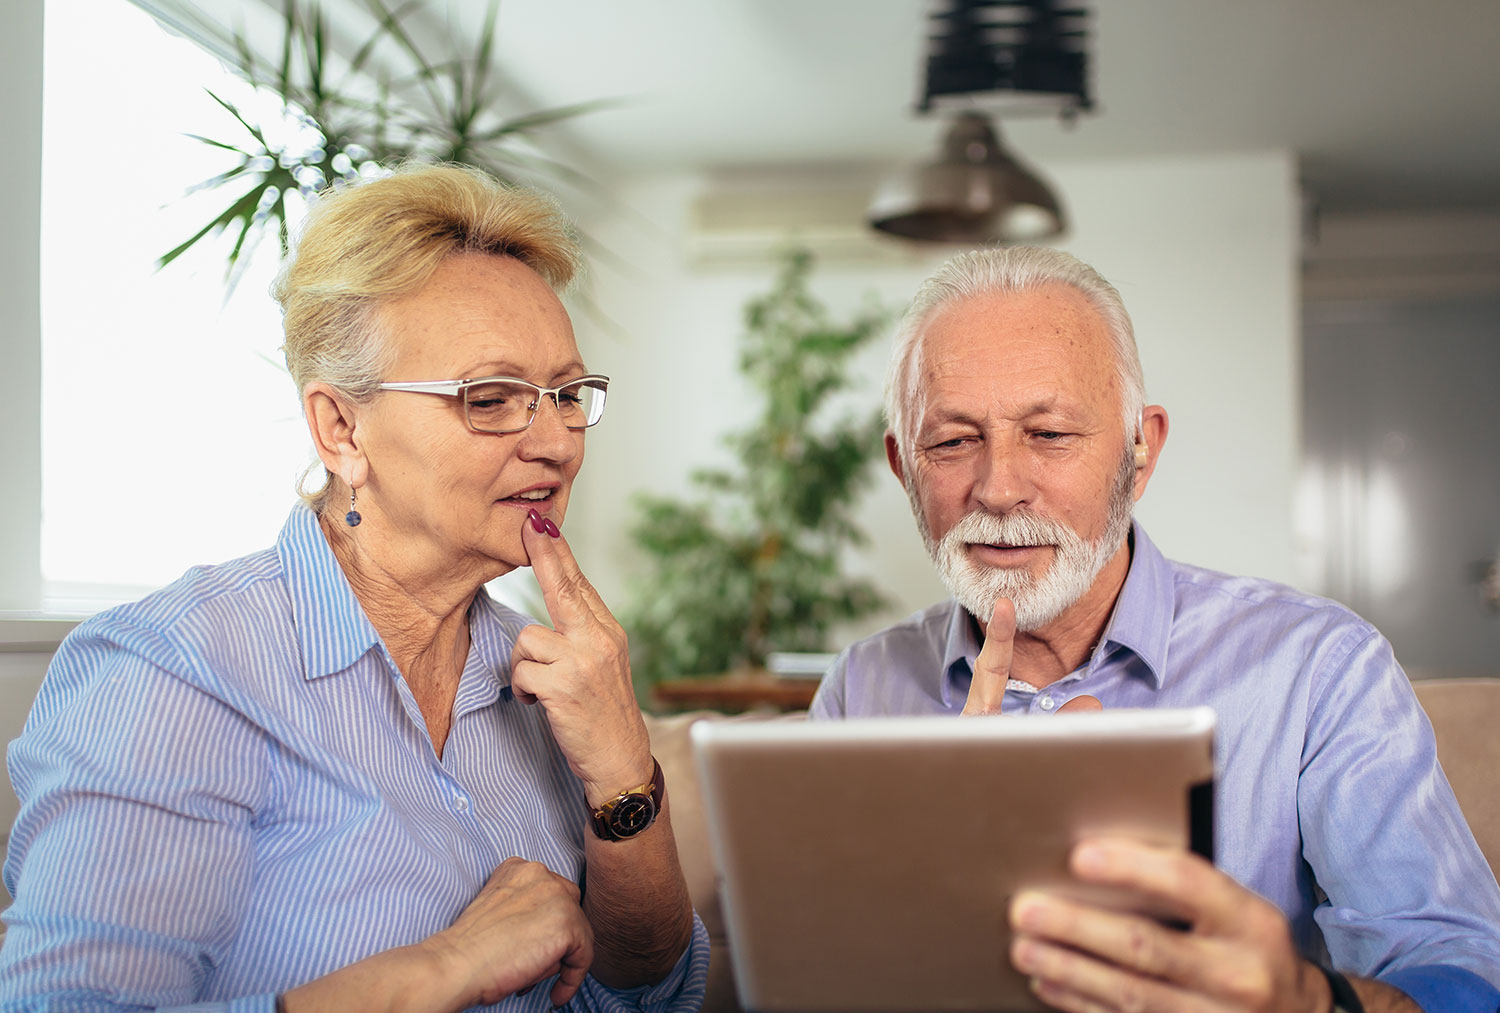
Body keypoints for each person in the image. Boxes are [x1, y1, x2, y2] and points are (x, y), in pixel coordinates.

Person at [1, 164, 707, 1011]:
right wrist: (443, 966)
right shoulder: (174, 670)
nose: (555, 440)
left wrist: (626, 766)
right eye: (491, 398)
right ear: (341, 428)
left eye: (565, 394)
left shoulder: (545, 674)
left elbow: (650, 989)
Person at [811, 246, 1500, 1013]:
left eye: (1048, 433)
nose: (999, 487)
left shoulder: (1320, 670)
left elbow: (1465, 972)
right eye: (951, 441)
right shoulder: (858, 690)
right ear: (904, 467)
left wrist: (1309, 1001)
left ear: (1140, 455)